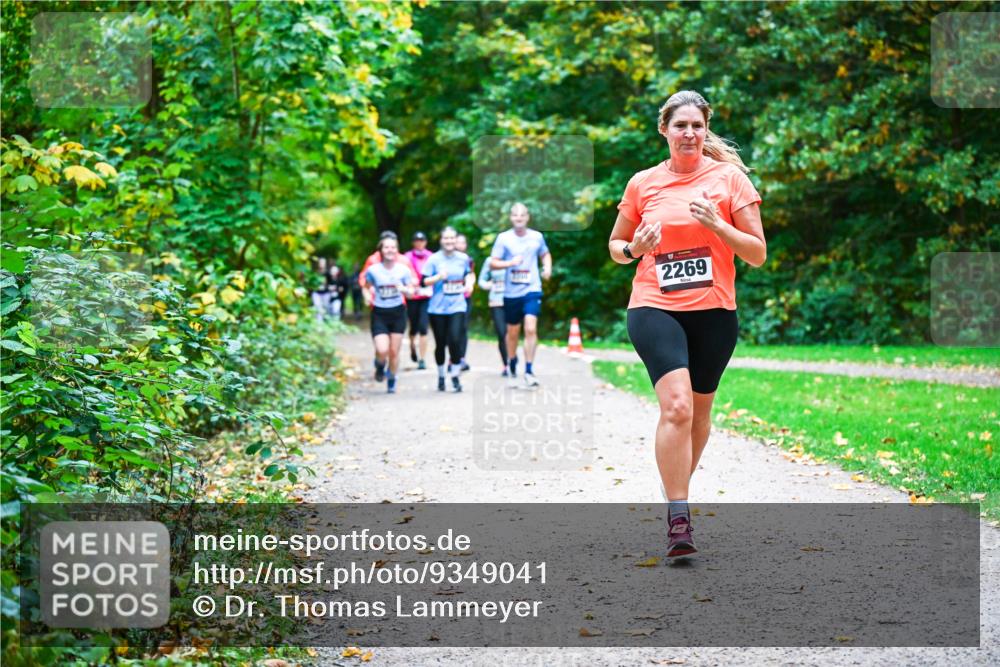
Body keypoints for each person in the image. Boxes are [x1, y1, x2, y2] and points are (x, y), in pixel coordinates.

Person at [608, 90, 766, 558]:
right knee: (676, 406)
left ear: (706, 129)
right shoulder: (643, 183)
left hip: (715, 311)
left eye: (698, 126)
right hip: (654, 305)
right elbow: (615, 247)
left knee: (698, 412)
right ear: (665, 130)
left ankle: (675, 488)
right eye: (681, 126)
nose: (690, 134)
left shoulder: (729, 180)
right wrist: (635, 247)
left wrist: (719, 226)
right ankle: (680, 516)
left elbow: (756, 254)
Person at [489, 203, 551, 387]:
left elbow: (545, 254)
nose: (519, 218)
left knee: (531, 329)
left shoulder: (536, 237)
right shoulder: (503, 239)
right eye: (515, 215)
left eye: (522, 215)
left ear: (527, 217)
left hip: (532, 288)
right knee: (512, 332)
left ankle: (529, 369)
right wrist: (509, 263)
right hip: (511, 292)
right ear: (511, 218)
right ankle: (512, 360)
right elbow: (493, 262)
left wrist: (547, 267)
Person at [421, 227, 473, 393]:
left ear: (456, 240)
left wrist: (469, 282)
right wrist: (438, 277)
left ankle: (456, 376)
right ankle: (441, 375)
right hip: (437, 308)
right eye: (446, 238)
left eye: (452, 238)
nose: (449, 241)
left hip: (457, 305)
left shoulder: (463, 258)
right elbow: (423, 281)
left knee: (455, 340)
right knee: (440, 344)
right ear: (441, 240)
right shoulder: (433, 259)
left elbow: (468, 274)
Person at [363, 237, 414, 394]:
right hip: (380, 313)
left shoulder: (403, 270)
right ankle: (379, 364)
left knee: (394, 351)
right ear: (381, 250)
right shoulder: (373, 270)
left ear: (397, 250)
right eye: (386, 247)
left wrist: (404, 290)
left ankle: (392, 378)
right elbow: (366, 286)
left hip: (398, 312)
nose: (390, 250)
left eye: (393, 247)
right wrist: (367, 295)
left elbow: (411, 293)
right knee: (382, 349)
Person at [403, 232, 433, 370]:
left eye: (422, 240)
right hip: (412, 297)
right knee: (413, 326)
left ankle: (422, 359)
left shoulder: (431, 256)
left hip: (426, 297)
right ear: (413, 242)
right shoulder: (407, 257)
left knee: (423, 327)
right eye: (417, 240)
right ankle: (412, 347)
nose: (419, 243)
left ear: (425, 242)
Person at [477, 260, 508, 375]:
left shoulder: (514, 258)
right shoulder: (490, 261)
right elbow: (481, 281)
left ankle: (512, 357)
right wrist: (489, 285)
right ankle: (506, 364)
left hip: (512, 300)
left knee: (511, 333)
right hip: (496, 301)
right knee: (501, 333)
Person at [454, 233, 475, 372]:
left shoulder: (469, 260)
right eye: (458, 242)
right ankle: (452, 357)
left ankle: (461, 358)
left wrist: (471, 285)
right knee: (452, 329)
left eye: (463, 243)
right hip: (450, 299)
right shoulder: (446, 259)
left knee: (463, 328)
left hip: (465, 298)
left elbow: (471, 275)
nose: (461, 245)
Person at [309, 257, 331, 322]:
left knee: (325, 307)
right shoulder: (315, 273)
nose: (322, 264)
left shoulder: (328, 273)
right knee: (318, 307)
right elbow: (311, 283)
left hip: (325, 293)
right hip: (316, 293)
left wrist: (326, 285)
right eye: (321, 262)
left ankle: (325, 321)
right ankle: (319, 323)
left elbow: (332, 283)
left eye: (323, 263)